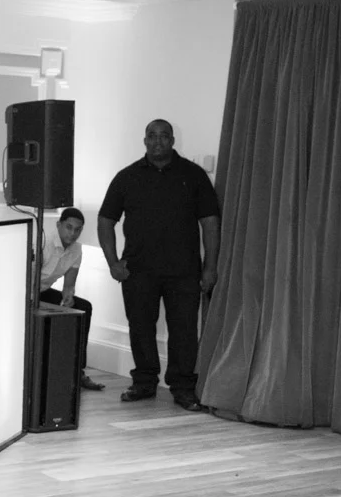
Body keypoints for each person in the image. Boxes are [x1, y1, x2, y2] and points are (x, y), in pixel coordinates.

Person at [97, 119, 221, 411]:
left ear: (172, 140)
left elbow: (210, 223)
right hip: (138, 270)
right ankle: (144, 382)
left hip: (184, 271)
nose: (157, 141)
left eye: (164, 136)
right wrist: (113, 263)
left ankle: (183, 388)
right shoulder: (127, 177)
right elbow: (105, 220)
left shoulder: (194, 175)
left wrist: (210, 267)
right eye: (152, 136)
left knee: (185, 332)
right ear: (144, 141)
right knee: (140, 328)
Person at [39, 207, 104, 392]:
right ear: (58, 225)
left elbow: (68, 286)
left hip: (44, 290)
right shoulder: (43, 242)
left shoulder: (77, 250)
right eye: (69, 227)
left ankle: (77, 371)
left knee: (83, 308)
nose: (73, 233)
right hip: (25, 292)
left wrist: (68, 297)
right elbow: (26, 278)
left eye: (77, 230)